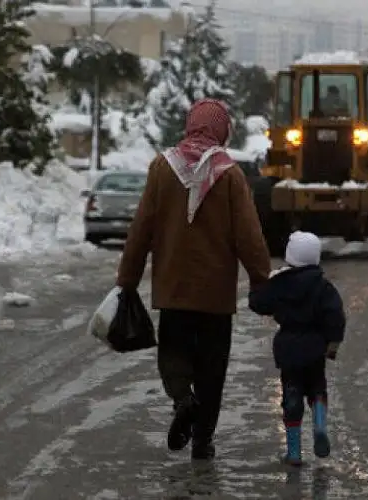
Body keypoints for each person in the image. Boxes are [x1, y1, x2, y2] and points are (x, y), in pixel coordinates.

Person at [116, 98, 272, 461]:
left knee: (174, 354)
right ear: (221, 130)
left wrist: (128, 278)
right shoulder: (229, 173)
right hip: (216, 295)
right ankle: (202, 440)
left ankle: (182, 400)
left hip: (172, 289)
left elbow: (141, 229)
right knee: (212, 368)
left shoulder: (161, 168)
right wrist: (262, 280)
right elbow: (248, 235)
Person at [248, 231, 346, 466]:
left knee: (291, 393)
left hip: (288, 348)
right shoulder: (323, 286)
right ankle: (320, 422)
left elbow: (258, 303)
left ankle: (293, 452)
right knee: (317, 387)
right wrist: (332, 344)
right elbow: (335, 316)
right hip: (315, 347)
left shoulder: (280, 283)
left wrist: (261, 285)